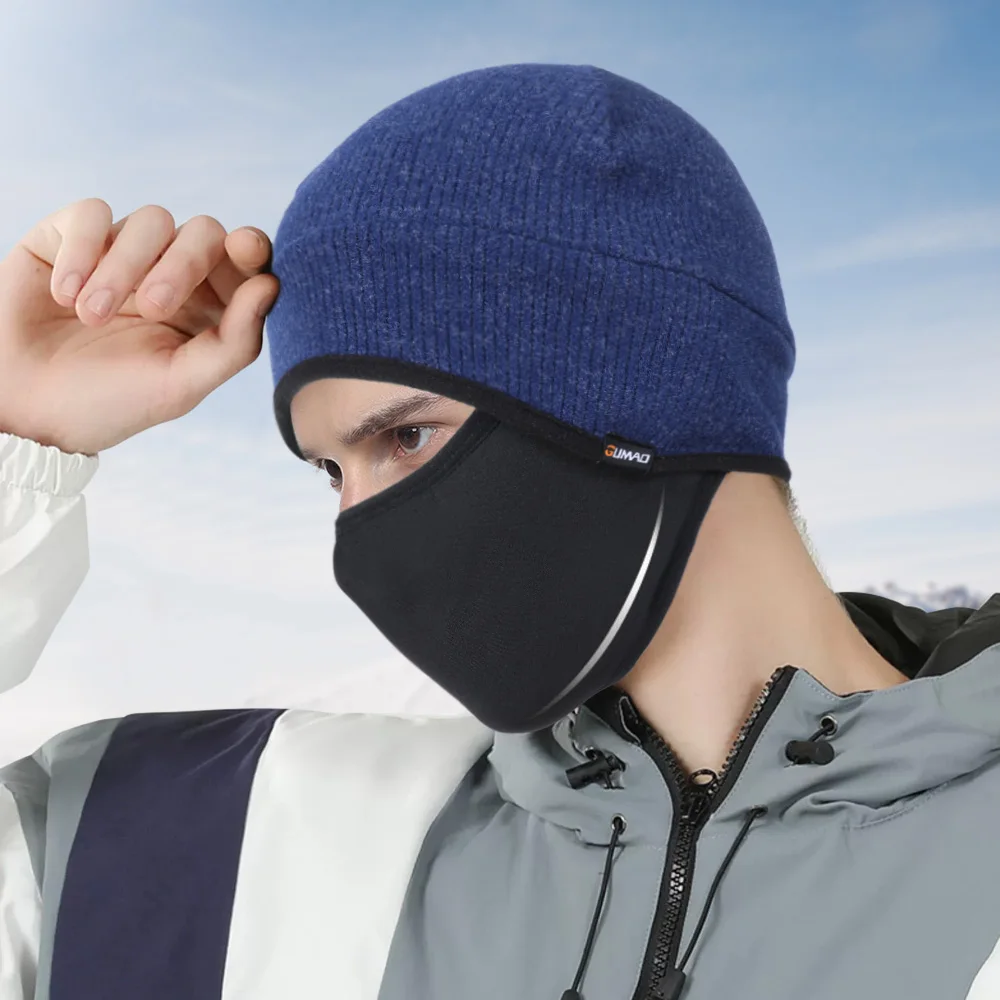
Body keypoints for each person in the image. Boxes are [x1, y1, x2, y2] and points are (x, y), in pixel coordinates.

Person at [1, 63, 998, 1000]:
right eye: (329, 473)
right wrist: (19, 436)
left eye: (405, 436)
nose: (358, 531)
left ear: (642, 393)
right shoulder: (213, 836)